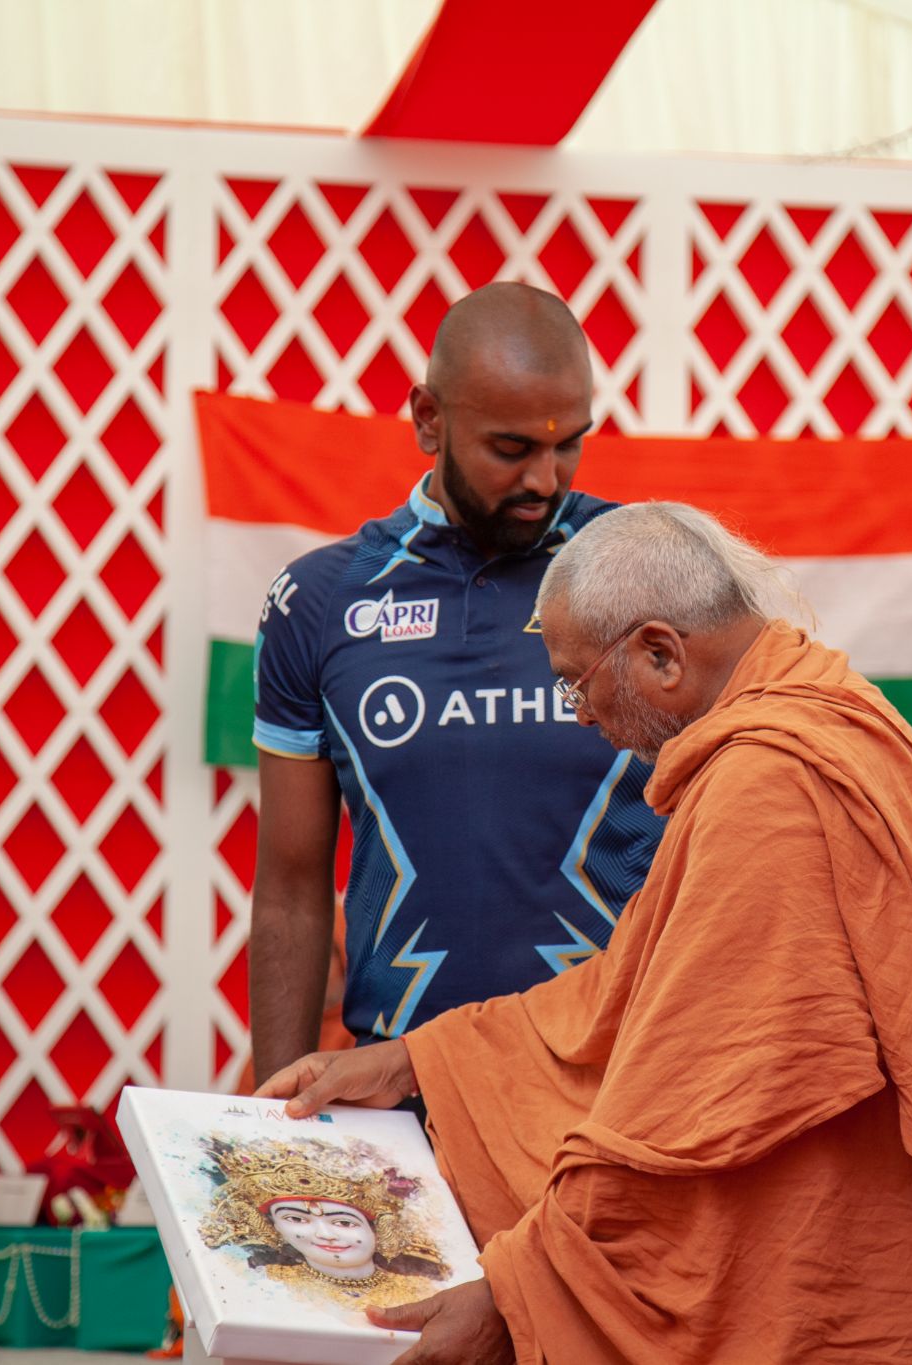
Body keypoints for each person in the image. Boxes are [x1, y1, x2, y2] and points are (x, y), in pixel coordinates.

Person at [260, 503, 912, 1364]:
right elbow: (635, 987)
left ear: (660, 654)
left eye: (576, 682)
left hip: (819, 1274)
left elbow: (676, 1118)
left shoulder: (766, 788)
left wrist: (520, 1291)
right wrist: (414, 1059)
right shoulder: (833, 710)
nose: (577, 714)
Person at [248, 283, 661, 1083]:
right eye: (512, 448)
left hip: (618, 1096)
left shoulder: (648, 572)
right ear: (428, 419)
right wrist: (279, 1124)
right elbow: (292, 890)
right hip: (405, 1106)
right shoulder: (321, 603)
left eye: (569, 442)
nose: (546, 477)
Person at [199, 1135, 449, 1315]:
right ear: (273, 1228)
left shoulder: (426, 1292)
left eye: (343, 1222)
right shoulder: (264, 1283)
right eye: (296, 1219)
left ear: (377, 1229)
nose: (325, 1234)